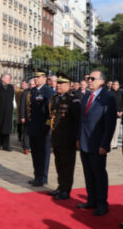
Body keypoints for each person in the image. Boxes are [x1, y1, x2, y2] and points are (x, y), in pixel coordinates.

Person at [77, 70, 116, 216]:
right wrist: (78, 138)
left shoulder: (108, 98)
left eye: (92, 78)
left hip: (98, 144)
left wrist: (105, 145)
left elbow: (109, 124)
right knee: (88, 174)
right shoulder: (87, 95)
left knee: (99, 175)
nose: (89, 80)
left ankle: (102, 204)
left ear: (101, 81)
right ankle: (91, 200)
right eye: (88, 78)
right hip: (85, 142)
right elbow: (82, 120)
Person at [47, 72, 81, 200]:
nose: (58, 86)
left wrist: (76, 138)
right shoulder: (55, 97)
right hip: (56, 137)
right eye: (58, 83)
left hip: (68, 139)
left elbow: (77, 121)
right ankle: (60, 186)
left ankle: (66, 189)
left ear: (69, 85)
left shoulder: (73, 100)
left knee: (67, 165)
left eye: (62, 84)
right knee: (59, 163)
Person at [27, 68, 54, 187]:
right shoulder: (32, 91)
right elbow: (29, 108)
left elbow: (50, 110)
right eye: (35, 77)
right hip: (33, 127)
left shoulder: (48, 91)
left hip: (43, 127)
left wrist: (48, 125)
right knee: (35, 153)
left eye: (38, 77)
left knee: (43, 153)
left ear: (44, 78)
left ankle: (43, 177)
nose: (36, 79)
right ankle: (36, 175)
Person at [0, 73, 15, 151]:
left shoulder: (11, 88)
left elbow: (11, 100)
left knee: (6, 129)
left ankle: (6, 145)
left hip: (8, 112)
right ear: (2, 79)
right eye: (7, 78)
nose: (9, 80)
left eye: (10, 78)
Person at [20, 78, 35, 154]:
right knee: (26, 132)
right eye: (30, 84)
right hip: (27, 115)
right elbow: (22, 105)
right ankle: (26, 147)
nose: (31, 86)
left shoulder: (38, 92)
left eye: (33, 84)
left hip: (35, 117)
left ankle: (32, 147)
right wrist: (22, 116)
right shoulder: (25, 93)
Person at [110, 81, 123, 149]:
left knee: (116, 129)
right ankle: (110, 143)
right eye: (113, 85)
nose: (114, 86)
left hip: (118, 114)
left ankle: (114, 144)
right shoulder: (110, 93)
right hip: (110, 113)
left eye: (116, 85)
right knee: (110, 129)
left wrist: (122, 111)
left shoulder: (121, 92)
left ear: (118, 85)